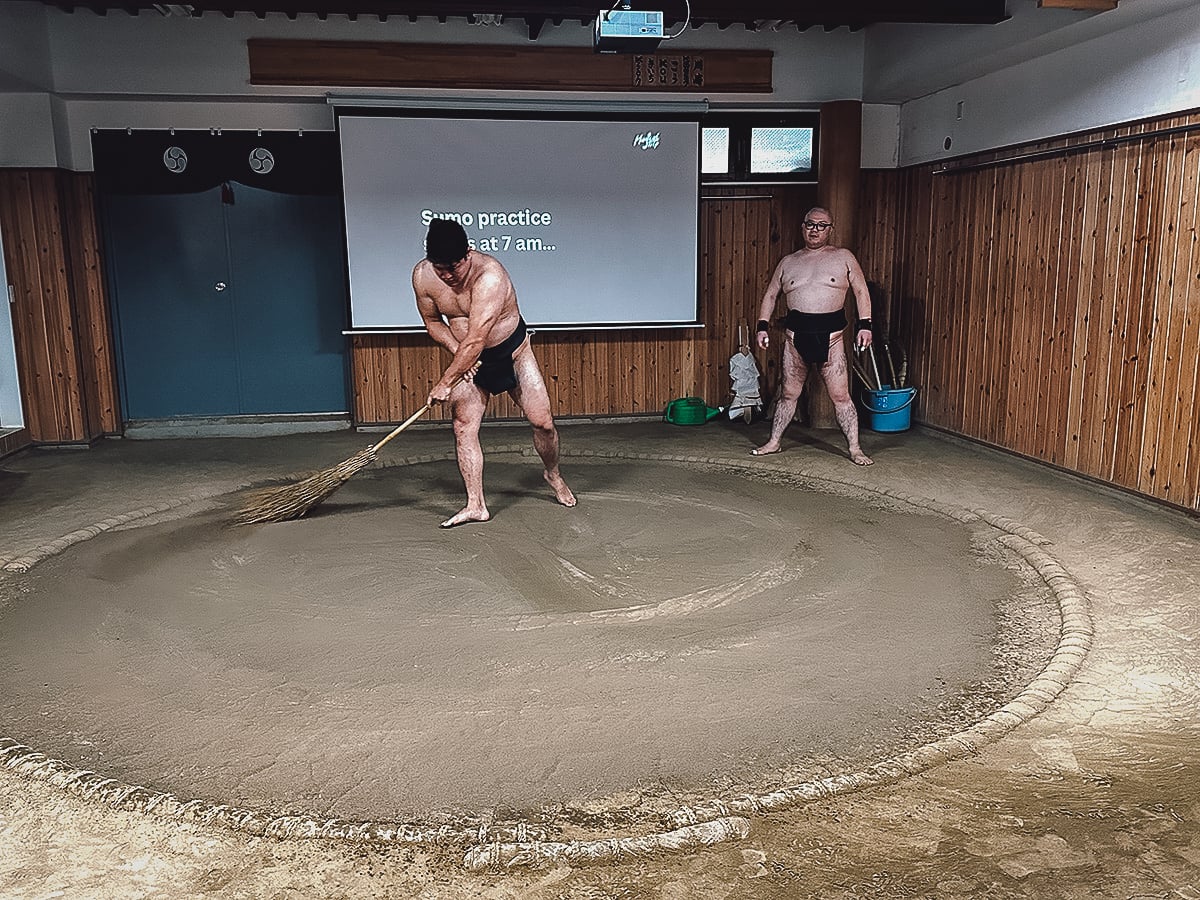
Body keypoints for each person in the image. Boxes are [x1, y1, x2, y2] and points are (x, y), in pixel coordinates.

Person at [413, 218, 576, 527]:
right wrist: (458, 355)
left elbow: (477, 338)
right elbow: (433, 322)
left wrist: (446, 382)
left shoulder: (490, 276)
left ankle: (552, 473)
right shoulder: (423, 276)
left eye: (453, 267)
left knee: (543, 423)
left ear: (468, 254)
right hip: (469, 360)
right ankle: (476, 505)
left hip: (512, 354)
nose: (447, 276)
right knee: (463, 427)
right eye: (440, 268)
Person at [751, 207, 874, 466]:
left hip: (832, 339)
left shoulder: (843, 257)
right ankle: (774, 442)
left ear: (830, 229)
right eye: (810, 224)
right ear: (802, 226)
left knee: (841, 397)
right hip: (796, 339)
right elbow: (771, 294)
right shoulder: (788, 262)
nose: (814, 229)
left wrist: (866, 325)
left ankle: (855, 448)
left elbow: (861, 291)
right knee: (788, 394)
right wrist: (762, 326)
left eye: (821, 225)